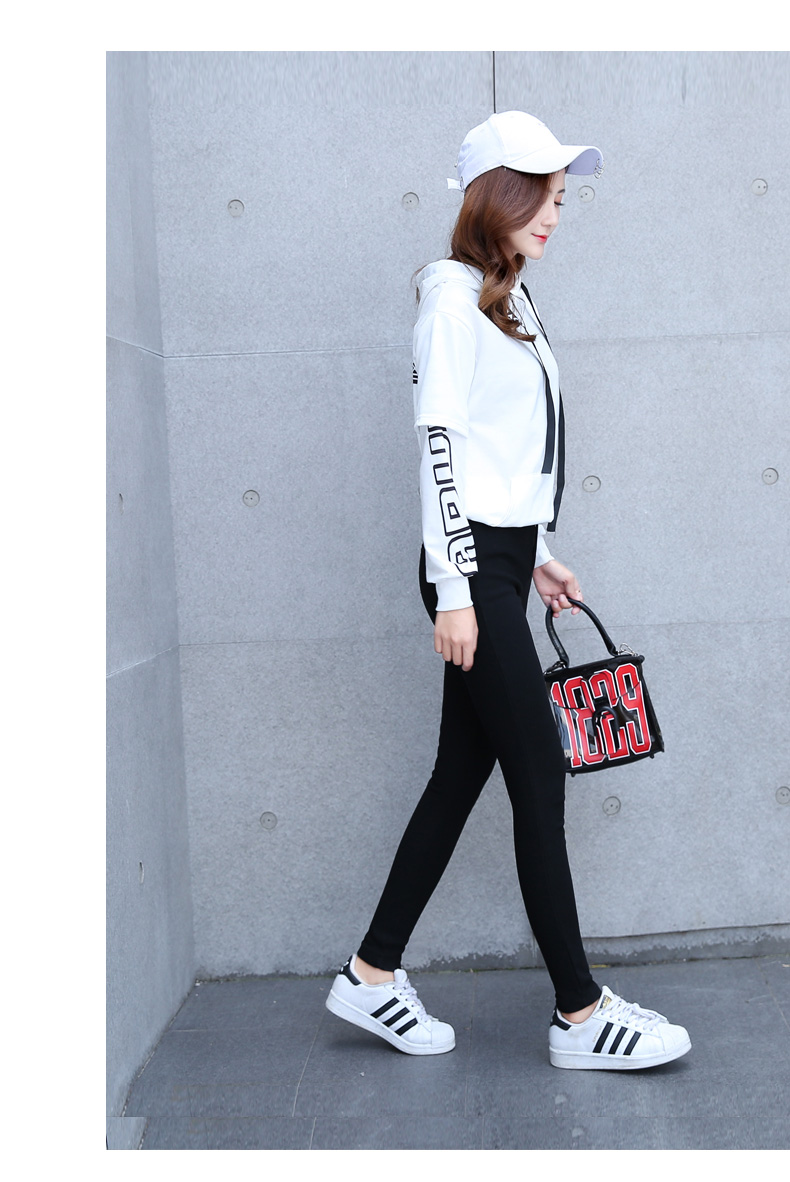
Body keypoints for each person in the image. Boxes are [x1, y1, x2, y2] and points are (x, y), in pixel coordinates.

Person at [325, 111, 691, 1070]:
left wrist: (538, 552)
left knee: (461, 776)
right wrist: (458, 586)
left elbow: (504, 452)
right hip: (470, 575)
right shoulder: (452, 304)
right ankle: (580, 1015)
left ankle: (370, 975)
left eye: (563, 200)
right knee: (539, 773)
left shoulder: (506, 298)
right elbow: (441, 451)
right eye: (543, 197)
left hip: (500, 564)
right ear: (497, 195)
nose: (556, 216)